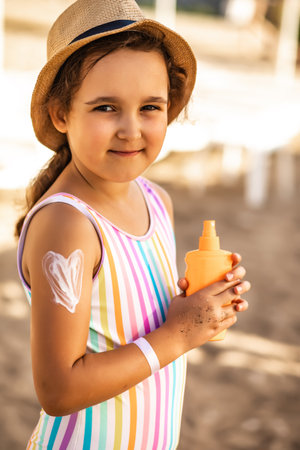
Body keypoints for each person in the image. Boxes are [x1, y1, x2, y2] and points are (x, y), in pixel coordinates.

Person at [15, 0, 250, 448]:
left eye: (150, 107)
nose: (131, 129)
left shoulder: (156, 200)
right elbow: (59, 390)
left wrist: (203, 308)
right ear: (61, 113)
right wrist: (179, 334)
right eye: (106, 107)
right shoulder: (67, 224)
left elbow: (139, 325)